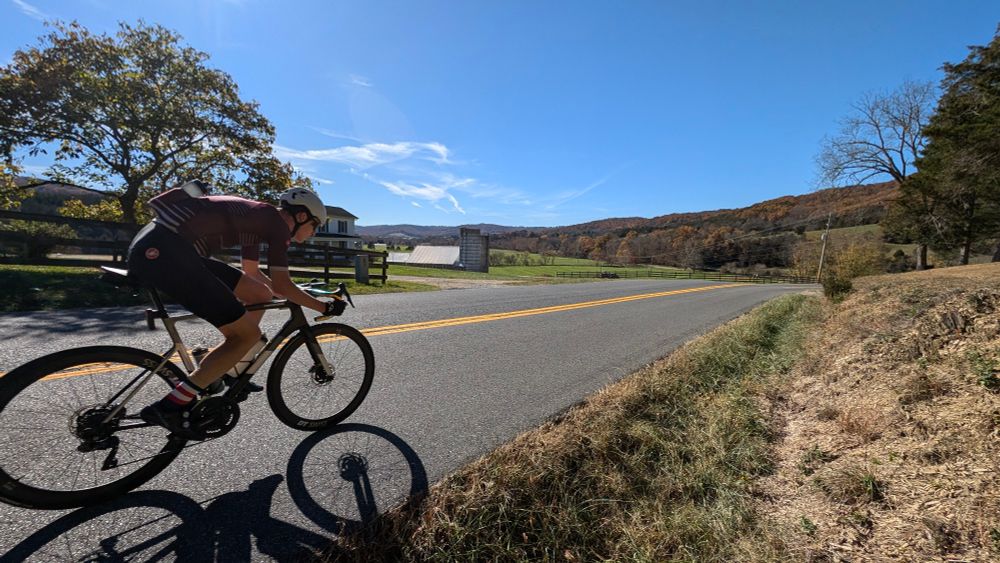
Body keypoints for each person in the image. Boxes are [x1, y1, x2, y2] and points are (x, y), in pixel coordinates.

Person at [127, 181, 346, 437]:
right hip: (166, 252)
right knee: (246, 336)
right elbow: (283, 285)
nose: (313, 233)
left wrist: (295, 292)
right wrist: (324, 305)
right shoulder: (276, 226)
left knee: (258, 294)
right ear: (301, 216)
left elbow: (254, 276)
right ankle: (171, 405)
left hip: (165, 246)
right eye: (314, 226)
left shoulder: (261, 219)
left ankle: (232, 365)